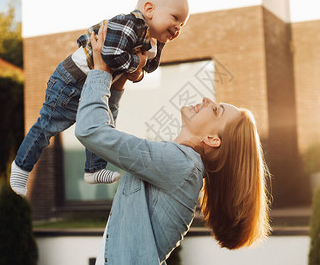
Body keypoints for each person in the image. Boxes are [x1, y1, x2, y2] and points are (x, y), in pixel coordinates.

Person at [73, 28, 271, 264]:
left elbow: (91, 131)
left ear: (212, 139)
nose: (208, 100)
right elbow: (105, 138)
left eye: (216, 110)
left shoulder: (182, 165)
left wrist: (100, 72)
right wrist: (120, 82)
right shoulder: (180, 165)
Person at [9, 0, 189, 196]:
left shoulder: (151, 38)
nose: (178, 28)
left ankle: (94, 169)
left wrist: (158, 46)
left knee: (103, 125)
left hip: (101, 82)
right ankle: (21, 166)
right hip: (72, 81)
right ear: (149, 10)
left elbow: (147, 67)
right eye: (175, 18)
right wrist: (136, 64)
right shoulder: (128, 24)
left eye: (182, 25)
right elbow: (110, 55)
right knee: (48, 126)